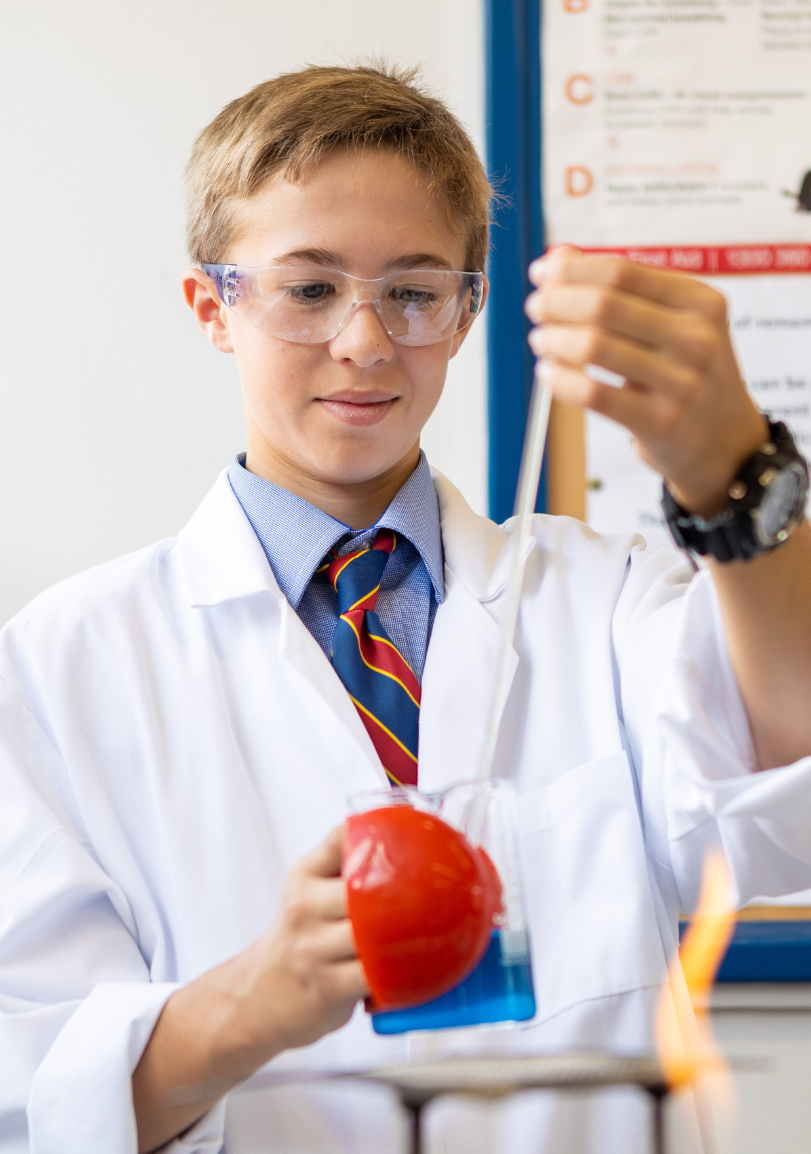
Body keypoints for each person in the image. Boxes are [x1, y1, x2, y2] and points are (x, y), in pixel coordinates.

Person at [1, 63, 811, 1154]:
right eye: (308, 287)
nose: (367, 341)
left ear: (469, 308)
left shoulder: (605, 597)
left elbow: (781, 781)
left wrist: (733, 475)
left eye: (416, 290)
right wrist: (258, 997)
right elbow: (37, 1094)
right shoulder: (60, 667)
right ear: (212, 306)